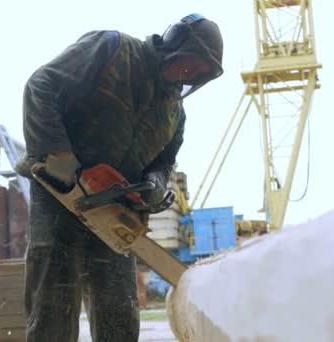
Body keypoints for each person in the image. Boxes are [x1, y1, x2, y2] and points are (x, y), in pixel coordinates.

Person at [15, 13, 224, 342]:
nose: (190, 74)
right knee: (54, 304)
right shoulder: (112, 50)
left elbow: (164, 161)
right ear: (175, 42)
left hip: (115, 214)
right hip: (61, 195)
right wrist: (65, 162)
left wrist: (155, 182)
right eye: (191, 63)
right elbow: (41, 87)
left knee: (119, 311)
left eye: (199, 74)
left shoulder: (175, 112)